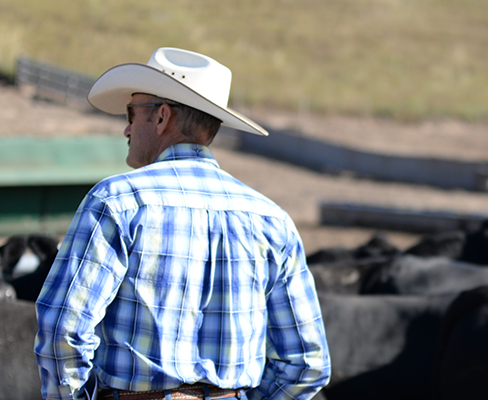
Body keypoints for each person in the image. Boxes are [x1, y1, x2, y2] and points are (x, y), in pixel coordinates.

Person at [34, 47, 330, 400]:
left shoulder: (117, 202)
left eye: (132, 112)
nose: (127, 128)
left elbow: (62, 331)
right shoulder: (272, 220)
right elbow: (307, 364)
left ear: (161, 117)